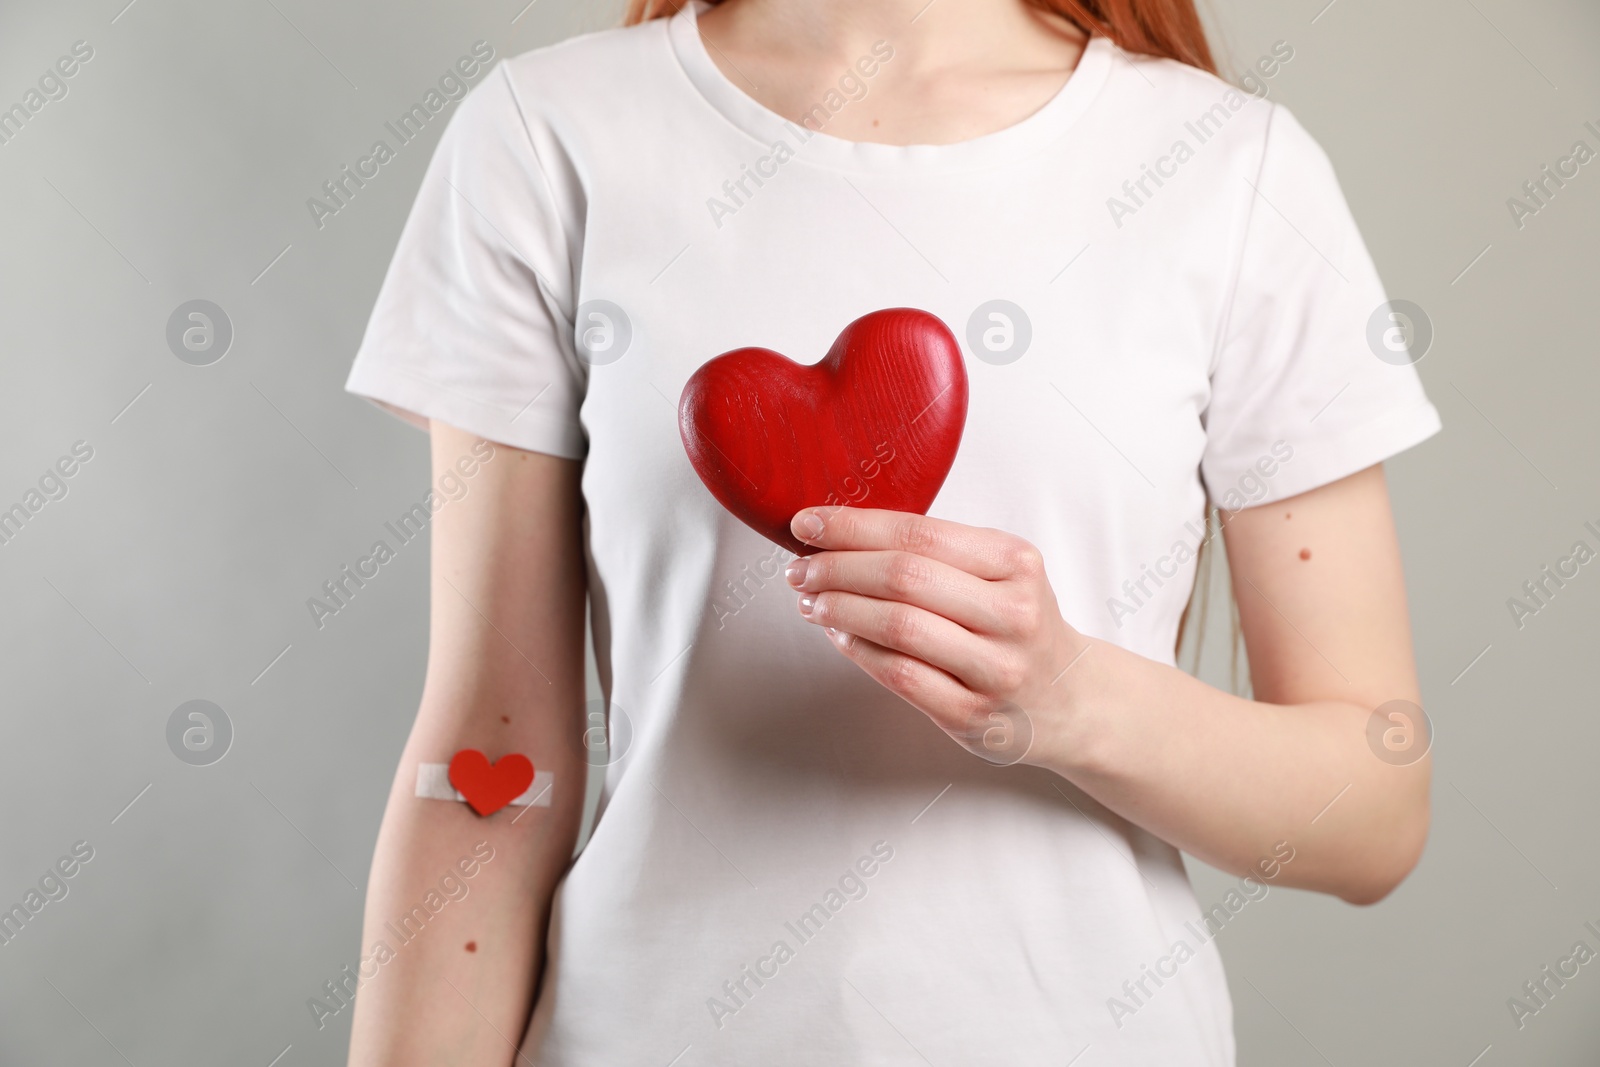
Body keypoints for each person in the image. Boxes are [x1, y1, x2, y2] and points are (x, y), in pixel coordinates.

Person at [341, 0, 1441, 1062]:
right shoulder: (545, 136)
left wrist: (1068, 698)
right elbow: (490, 765)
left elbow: (1375, 810)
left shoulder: (1229, 168)